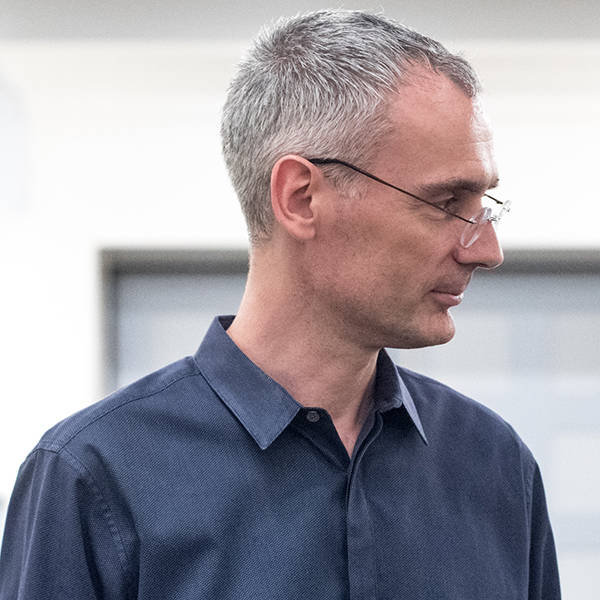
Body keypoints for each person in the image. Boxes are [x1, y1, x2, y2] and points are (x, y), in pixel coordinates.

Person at [0, 9, 560, 600]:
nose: (488, 249)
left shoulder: (496, 467)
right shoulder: (94, 475)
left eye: (485, 205)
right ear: (301, 197)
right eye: (448, 201)